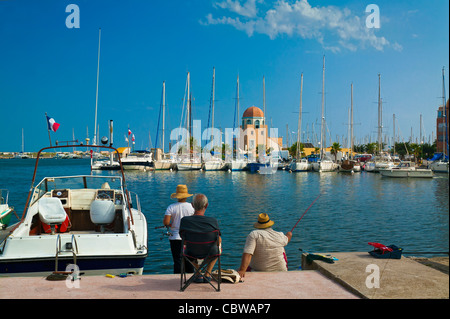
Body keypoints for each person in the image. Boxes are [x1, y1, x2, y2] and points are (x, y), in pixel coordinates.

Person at [179, 194, 221, 283]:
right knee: (218, 246)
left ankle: (198, 273)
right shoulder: (213, 221)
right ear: (206, 205)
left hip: (190, 253)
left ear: (192, 205)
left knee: (186, 246)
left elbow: (183, 239)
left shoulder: (185, 221)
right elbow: (218, 240)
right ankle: (207, 273)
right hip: (210, 253)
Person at [237, 213, 292, 280]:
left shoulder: (254, 234)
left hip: (259, 270)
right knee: (282, 250)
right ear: (270, 224)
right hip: (282, 270)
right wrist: (289, 234)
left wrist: (242, 270)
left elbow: (248, 253)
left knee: (238, 270)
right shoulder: (280, 235)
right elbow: (287, 239)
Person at [163, 184, 195, 274]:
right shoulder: (192, 207)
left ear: (177, 195)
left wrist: (170, 224)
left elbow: (166, 222)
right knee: (189, 260)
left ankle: (177, 279)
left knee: (177, 260)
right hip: (189, 237)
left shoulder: (171, 207)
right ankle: (189, 278)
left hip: (175, 237)